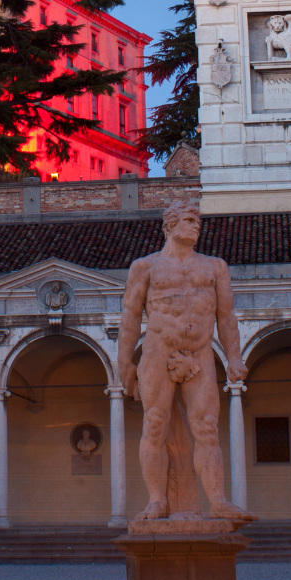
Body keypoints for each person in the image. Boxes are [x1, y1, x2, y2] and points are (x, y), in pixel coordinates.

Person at [117, 199, 251, 520]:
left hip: (201, 352)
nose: (196, 226)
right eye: (189, 220)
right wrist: (124, 364)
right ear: (169, 225)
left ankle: (217, 501)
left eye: (198, 221)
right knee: (155, 425)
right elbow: (131, 317)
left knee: (206, 427)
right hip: (158, 350)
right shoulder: (146, 267)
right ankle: (156, 501)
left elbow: (227, 316)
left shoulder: (214, 267)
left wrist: (234, 357)